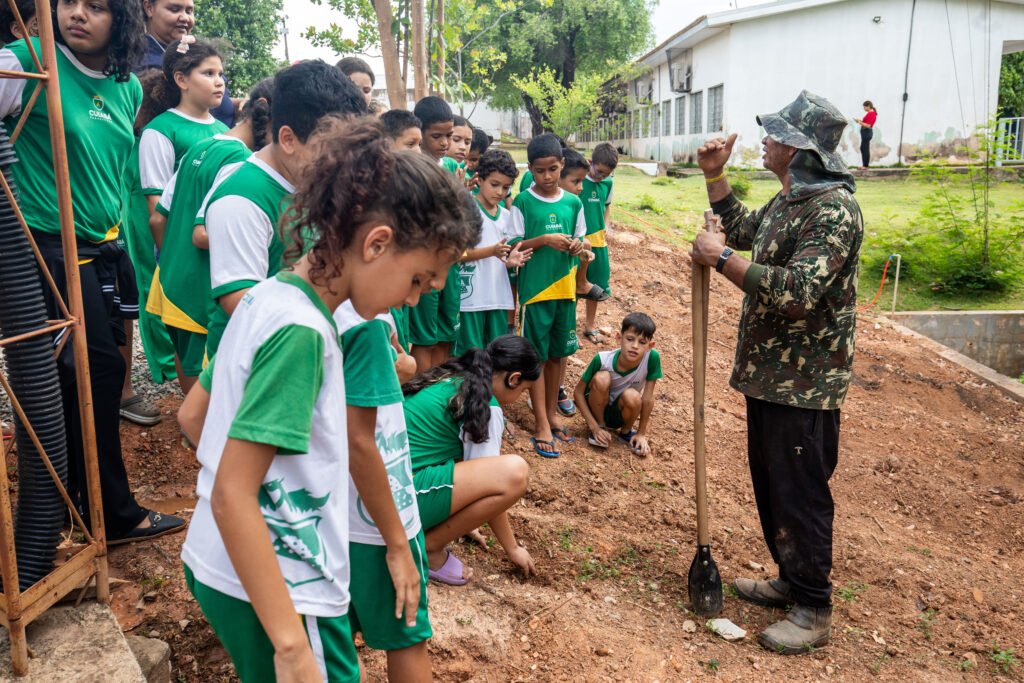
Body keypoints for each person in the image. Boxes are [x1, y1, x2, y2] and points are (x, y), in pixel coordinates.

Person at [181, 117, 480, 683]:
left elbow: (193, 417)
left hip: (225, 564)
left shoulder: (267, 296)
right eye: (418, 280)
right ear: (377, 243)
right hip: (286, 585)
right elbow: (233, 491)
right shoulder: (304, 334)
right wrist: (291, 643)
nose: (414, 299)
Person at [0, 0, 184, 542]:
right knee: (84, 373)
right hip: (43, 250)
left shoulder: (126, 88)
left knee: (88, 376)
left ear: (122, 19)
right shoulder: (28, 61)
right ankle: (106, 513)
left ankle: (71, 508)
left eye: (97, 7)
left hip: (101, 247)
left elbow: (107, 168)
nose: (77, 14)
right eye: (69, 3)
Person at [691, 90, 864, 654]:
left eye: (777, 134)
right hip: (770, 375)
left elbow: (796, 292)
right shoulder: (791, 199)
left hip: (805, 384)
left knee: (801, 493)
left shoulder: (833, 210)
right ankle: (791, 579)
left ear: (799, 148)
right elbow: (744, 229)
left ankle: (813, 606)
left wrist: (719, 259)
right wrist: (715, 177)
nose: (765, 140)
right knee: (772, 484)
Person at [203, 60, 367, 357]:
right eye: (331, 150)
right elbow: (241, 301)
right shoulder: (240, 200)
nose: (341, 161)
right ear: (289, 139)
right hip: (259, 363)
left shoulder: (310, 180)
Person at [145, 78, 273, 395]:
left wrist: (172, 261)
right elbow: (202, 235)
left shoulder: (202, 146)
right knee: (203, 386)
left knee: (185, 363)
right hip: (199, 290)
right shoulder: (240, 161)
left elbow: (158, 217)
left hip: (170, 281)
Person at [405, 336, 539, 585]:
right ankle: (428, 549)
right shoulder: (485, 405)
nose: (520, 396)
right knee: (515, 473)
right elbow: (494, 482)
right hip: (400, 499)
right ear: (514, 378)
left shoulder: (455, 377)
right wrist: (512, 548)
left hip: (378, 490)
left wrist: (465, 520)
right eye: (524, 391)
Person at [508, 134, 586, 458]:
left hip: (565, 291)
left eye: (553, 169)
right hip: (535, 293)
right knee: (537, 357)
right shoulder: (523, 202)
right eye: (539, 171)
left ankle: (552, 413)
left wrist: (579, 247)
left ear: (562, 165)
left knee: (557, 355)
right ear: (530, 169)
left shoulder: (574, 203)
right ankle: (540, 421)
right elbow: (512, 245)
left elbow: (582, 239)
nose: (547, 176)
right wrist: (543, 240)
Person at [454, 150, 531, 356]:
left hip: (498, 297)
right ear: (479, 180)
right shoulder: (466, 210)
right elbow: (457, 254)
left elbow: (502, 257)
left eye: (506, 187)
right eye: (494, 184)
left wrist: (510, 261)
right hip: (470, 300)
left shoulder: (507, 216)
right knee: (470, 356)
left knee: (494, 356)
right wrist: (491, 251)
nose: (500, 192)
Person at [407, 96, 455, 371]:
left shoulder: (450, 167)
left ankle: (440, 388)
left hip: (449, 262)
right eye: (437, 136)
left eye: (449, 135)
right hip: (424, 262)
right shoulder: (412, 169)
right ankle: (422, 389)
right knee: (424, 338)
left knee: (447, 333)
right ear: (420, 132)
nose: (445, 143)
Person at [574, 312, 661, 457]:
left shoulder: (652, 358)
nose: (635, 346)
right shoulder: (602, 359)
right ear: (619, 338)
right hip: (595, 409)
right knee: (602, 378)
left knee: (633, 395)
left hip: (621, 413)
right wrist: (594, 426)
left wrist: (641, 433)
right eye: (630, 339)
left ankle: (626, 432)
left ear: (650, 346)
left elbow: (647, 398)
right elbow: (578, 393)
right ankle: (600, 427)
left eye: (642, 342)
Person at [578, 142, 618, 343]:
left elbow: (607, 206)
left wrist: (606, 225)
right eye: (599, 171)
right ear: (590, 162)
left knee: (595, 286)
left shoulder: (608, 183)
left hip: (599, 242)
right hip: (579, 242)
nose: (601, 176)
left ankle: (590, 326)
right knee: (575, 284)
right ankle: (568, 330)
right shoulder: (577, 179)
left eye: (606, 174)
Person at [854, 100, 877, 169]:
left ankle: (865, 166)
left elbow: (868, 125)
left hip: (867, 132)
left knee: (865, 148)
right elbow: (866, 123)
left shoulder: (871, 114)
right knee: (863, 148)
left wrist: (859, 122)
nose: (864, 109)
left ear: (868, 106)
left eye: (864, 107)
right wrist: (860, 121)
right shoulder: (870, 114)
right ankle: (864, 165)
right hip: (865, 132)